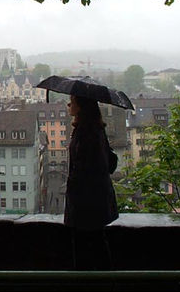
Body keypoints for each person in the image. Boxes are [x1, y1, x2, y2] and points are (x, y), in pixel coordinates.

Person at [64, 95, 119, 270]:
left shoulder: (86, 132)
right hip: (96, 200)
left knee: (84, 249)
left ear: (81, 106)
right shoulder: (96, 129)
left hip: (85, 202)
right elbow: (110, 163)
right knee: (97, 245)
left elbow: (84, 169)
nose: (69, 104)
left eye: (72, 100)